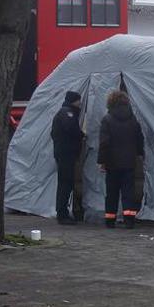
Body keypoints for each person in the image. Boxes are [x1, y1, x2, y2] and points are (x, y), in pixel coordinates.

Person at [97, 88, 144, 228]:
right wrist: (140, 153)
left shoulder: (107, 119)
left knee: (112, 192)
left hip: (112, 162)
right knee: (128, 191)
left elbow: (104, 143)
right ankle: (129, 219)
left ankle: (110, 219)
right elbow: (139, 138)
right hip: (129, 161)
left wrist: (101, 161)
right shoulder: (133, 119)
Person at [51, 90, 85, 223]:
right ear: (73, 101)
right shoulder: (68, 113)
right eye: (78, 100)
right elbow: (71, 129)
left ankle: (63, 212)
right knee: (65, 183)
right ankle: (62, 214)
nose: (80, 103)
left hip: (63, 152)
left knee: (65, 182)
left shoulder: (63, 112)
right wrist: (81, 135)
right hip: (66, 154)